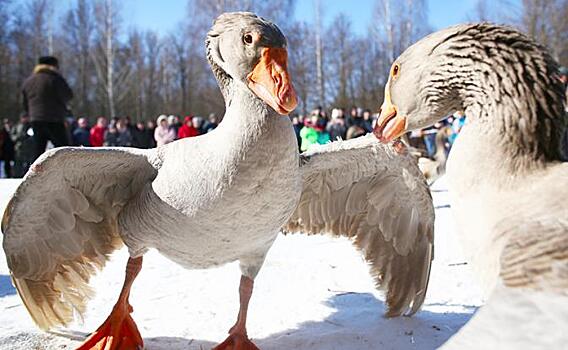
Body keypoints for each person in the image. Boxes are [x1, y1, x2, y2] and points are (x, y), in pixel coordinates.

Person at [21, 56, 73, 160]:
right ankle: (67, 173)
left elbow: (25, 103)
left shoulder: (29, 81)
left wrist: (29, 114)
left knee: (38, 150)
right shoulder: (55, 79)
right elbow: (68, 95)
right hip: (54, 119)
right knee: (64, 149)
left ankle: (34, 173)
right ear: (53, 66)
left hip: (36, 119)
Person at [10, 113, 34, 177]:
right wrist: (18, 137)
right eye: (24, 117)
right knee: (18, 162)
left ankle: (28, 175)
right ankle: (17, 175)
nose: (25, 119)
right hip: (19, 147)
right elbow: (12, 136)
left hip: (29, 147)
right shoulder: (17, 126)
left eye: (26, 117)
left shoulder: (31, 125)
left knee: (29, 162)